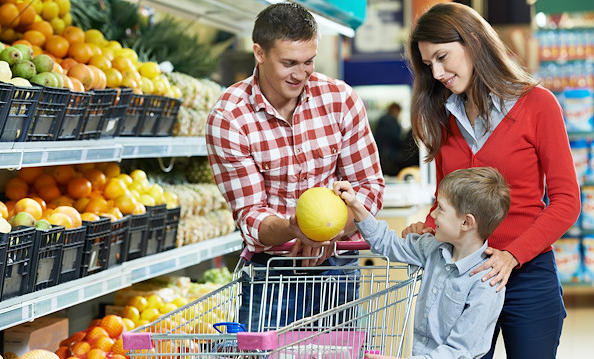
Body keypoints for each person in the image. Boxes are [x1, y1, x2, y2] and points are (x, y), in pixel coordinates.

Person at [402, 3, 581, 358]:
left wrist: (513, 255)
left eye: (442, 57)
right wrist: (426, 225)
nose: (436, 73)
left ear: (473, 42)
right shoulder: (443, 116)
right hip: (460, 276)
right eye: (428, 65)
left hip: (527, 277)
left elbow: (566, 201)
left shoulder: (537, 105)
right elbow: (447, 200)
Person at [205, 2, 384, 332]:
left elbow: (369, 187)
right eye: (289, 63)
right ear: (259, 53)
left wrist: (331, 228)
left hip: (337, 270)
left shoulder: (340, 99)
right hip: (272, 274)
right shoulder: (229, 118)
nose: (301, 74)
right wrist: (294, 227)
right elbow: (250, 215)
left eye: (309, 62)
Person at [335, 166, 510, 359]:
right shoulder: (432, 247)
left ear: (466, 223)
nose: (432, 215)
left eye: (441, 209)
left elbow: (458, 351)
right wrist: (355, 205)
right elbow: (386, 243)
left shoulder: (486, 284)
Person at [374, 103, 404, 176]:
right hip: (390, 155)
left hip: (381, 153)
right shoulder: (392, 121)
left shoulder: (382, 119)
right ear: (395, 110)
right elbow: (395, 137)